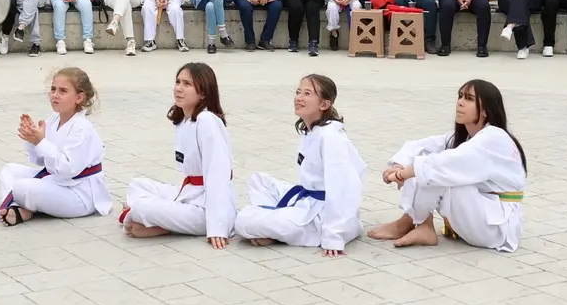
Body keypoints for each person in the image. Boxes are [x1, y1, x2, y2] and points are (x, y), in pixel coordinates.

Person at [368, 80, 527, 252]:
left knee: (439, 171)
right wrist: (399, 165)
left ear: (485, 112)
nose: (460, 102)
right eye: (460, 96)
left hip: (496, 227)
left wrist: (402, 175)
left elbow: (444, 164)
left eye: (469, 98)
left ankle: (409, 223)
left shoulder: (494, 137)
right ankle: (422, 226)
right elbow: (420, 146)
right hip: (480, 214)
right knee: (425, 161)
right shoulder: (465, 136)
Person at [234, 75, 366, 255]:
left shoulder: (330, 137)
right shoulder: (311, 130)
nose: (299, 97)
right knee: (259, 180)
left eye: (307, 93)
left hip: (324, 217)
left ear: (324, 105)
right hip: (308, 200)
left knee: (243, 220)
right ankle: (274, 224)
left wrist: (333, 237)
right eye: (298, 92)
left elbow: (343, 187)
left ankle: (277, 228)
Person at [120, 64, 234, 246]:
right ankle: (160, 221)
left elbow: (218, 176)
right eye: (178, 82)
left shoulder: (207, 121)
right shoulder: (185, 121)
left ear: (203, 93)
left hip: (206, 209)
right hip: (190, 193)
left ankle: (162, 226)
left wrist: (218, 228)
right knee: (137, 185)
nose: (179, 88)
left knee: (142, 207)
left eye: (187, 84)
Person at [0, 68, 112, 225]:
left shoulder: (81, 128)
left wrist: (41, 142)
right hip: (56, 182)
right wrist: (32, 140)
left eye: (63, 91)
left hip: (79, 195)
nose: (55, 95)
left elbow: (67, 170)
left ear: (79, 97)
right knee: (9, 170)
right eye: (53, 89)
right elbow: (40, 161)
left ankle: (22, 208)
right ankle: (19, 209)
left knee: (22, 187)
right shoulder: (55, 119)